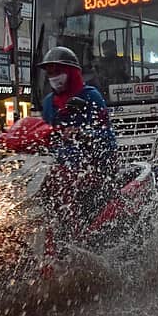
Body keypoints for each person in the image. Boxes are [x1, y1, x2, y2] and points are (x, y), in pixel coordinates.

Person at [37, 46, 118, 234]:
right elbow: (44, 131)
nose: (54, 77)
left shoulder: (91, 96)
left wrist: (82, 134)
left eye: (58, 71)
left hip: (93, 169)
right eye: (50, 73)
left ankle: (80, 236)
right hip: (60, 170)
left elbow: (108, 138)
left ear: (71, 72)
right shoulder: (49, 102)